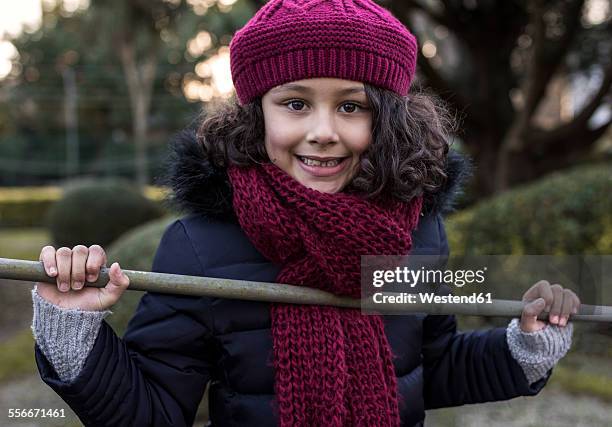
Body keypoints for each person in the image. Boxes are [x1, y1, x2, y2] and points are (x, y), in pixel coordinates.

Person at [31, 0, 580, 426]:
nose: (323, 131)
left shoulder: (417, 231)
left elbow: (427, 367)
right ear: (256, 114)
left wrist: (523, 345)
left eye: (350, 105)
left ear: (386, 119)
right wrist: (72, 329)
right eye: (295, 103)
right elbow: (150, 412)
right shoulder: (201, 247)